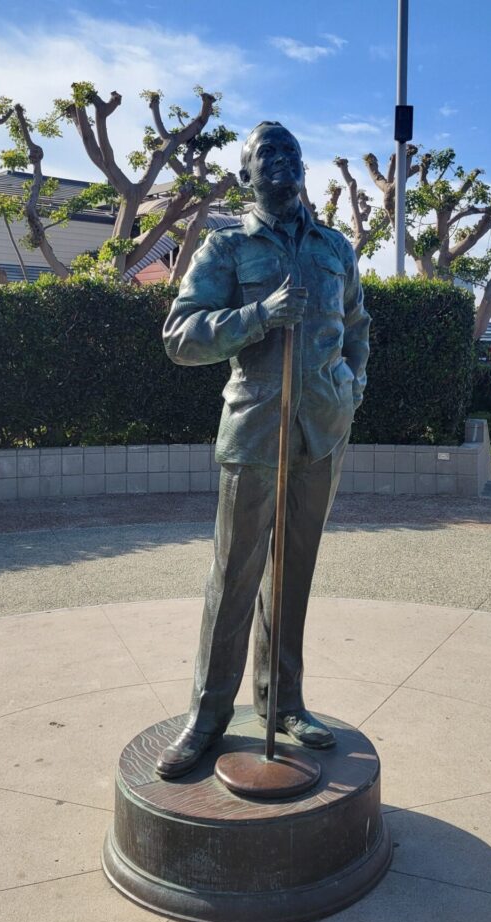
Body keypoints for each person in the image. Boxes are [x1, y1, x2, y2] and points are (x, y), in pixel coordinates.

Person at [156, 121, 370, 778]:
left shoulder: (334, 246)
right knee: (234, 579)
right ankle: (208, 716)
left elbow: (356, 327)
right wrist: (259, 316)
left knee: (293, 574)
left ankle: (284, 702)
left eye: (289, 152)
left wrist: (351, 386)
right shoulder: (225, 248)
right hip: (253, 431)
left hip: (320, 430)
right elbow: (181, 336)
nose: (279, 160)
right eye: (263, 154)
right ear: (246, 176)